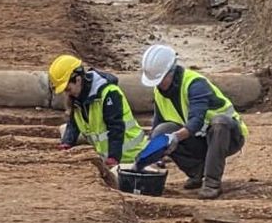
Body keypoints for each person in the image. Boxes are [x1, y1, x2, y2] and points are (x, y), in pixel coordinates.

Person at [140, 44, 247, 199]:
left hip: (227, 136)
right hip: (199, 139)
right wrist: (152, 152)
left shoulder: (195, 84)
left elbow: (196, 122)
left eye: (161, 79)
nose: (158, 84)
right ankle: (198, 172)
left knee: (219, 123)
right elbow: (158, 125)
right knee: (162, 132)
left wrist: (174, 138)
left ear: (171, 71)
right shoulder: (160, 92)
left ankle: (212, 183)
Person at [49, 54, 147, 175]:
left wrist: (113, 158)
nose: (66, 93)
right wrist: (66, 144)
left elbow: (116, 128)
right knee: (64, 130)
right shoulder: (76, 98)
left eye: (68, 89)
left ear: (78, 79)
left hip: (132, 156)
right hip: (106, 154)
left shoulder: (109, 93)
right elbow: (73, 124)